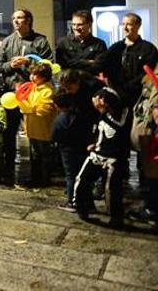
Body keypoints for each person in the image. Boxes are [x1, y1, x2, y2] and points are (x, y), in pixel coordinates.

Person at [0, 8, 54, 183]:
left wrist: (29, 62)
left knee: (36, 136)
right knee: (9, 132)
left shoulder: (40, 41)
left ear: (28, 20)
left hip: (34, 94)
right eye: (14, 18)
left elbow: (48, 64)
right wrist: (9, 65)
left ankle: (40, 175)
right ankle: (8, 172)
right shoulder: (7, 42)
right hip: (12, 93)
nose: (16, 21)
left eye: (20, 18)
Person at [73, 87, 129, 229]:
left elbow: (119, 126)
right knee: (82, 180)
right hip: (97, 154)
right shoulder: (100, 114)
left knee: (111, 189)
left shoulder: (124, 113)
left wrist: (103, 111)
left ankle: (116, 217)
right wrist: (93, 142)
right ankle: (82, 207)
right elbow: (98, 129)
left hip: (114, 159)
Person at [101, 12, 158, 115]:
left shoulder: (148, 49)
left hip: (139, 98)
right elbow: (106, 68)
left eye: (129, 24)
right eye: (123, 24)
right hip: (117, 98)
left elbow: (148, 73)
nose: (125, 28)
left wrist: (128, 87)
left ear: (138, 26)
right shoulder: (115, 48)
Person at [17, 61, 58, 187]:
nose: (32, 77)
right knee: (34, 156)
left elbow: (43, 110)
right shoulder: (32, 88)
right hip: (32, 128)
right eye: (31, 74)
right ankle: (35, 178)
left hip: (44, 130)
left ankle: (44, 179)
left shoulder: (47, 91)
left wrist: (28, 107)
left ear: (44, 77)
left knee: (44, 156)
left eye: (35, 75)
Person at [51, 91, 93, 211]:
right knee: (83, 175)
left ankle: (71, 202)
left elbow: (54, 136)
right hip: (82, 148)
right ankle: (89, 203)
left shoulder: (60, 119)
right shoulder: (80, 115)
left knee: (70, 176)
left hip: (67, 150)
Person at [55, 10, 107, 75]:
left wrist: (74, 63)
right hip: (69, 83)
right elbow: (63, 64)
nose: (76, 28)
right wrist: (88, 62)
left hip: (91, 83)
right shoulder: (63, 43)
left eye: (80, 24)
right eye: (73, 24)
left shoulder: (99, 44)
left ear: (89, 24)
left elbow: (99, 67)